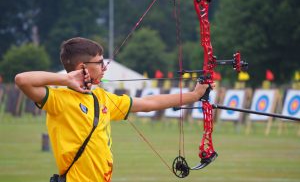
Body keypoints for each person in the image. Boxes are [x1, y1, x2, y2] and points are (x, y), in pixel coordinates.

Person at [15, 37, 211, 182]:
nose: (104, 67)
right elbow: (22, 80)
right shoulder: (59, 100)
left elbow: (148, 103)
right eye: (100, 62)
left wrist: (193, 95)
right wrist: (66, 79)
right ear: (82, 66)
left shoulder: (101, 98)